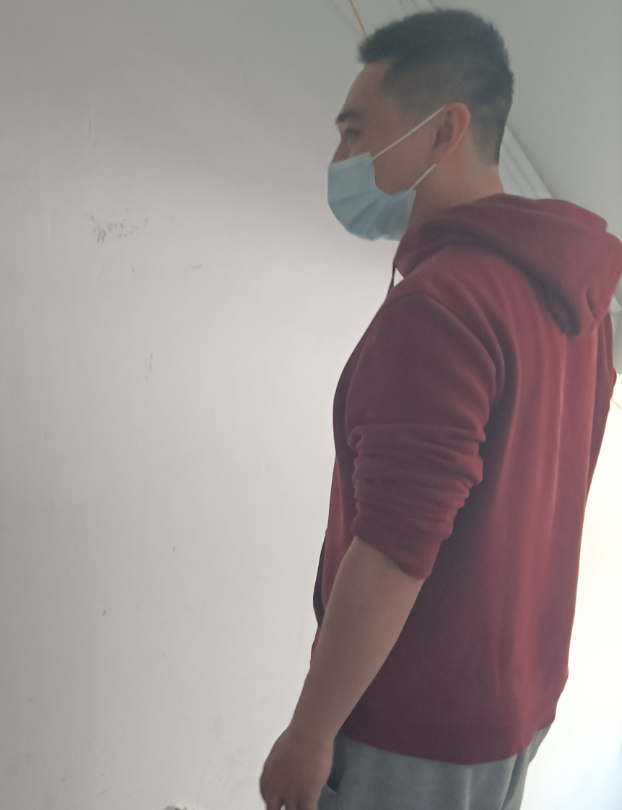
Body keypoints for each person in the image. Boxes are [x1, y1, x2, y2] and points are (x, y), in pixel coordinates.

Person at [258, 9, 621, 810]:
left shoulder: (443, 304)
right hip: (511, 707)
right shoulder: (579, 303)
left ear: (444, 130)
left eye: (355, 133)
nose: (340, 160)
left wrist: (310, 732)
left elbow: (395, 548)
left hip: (412, 726)